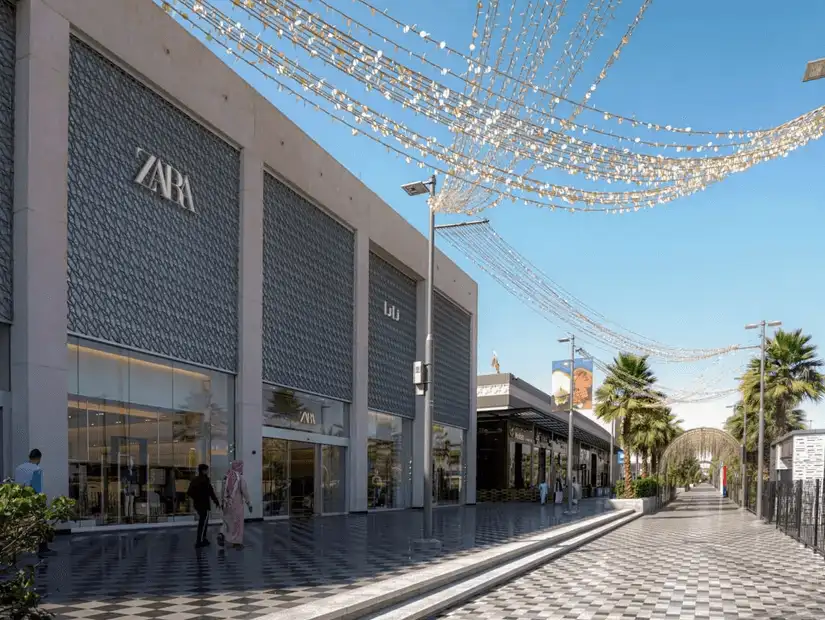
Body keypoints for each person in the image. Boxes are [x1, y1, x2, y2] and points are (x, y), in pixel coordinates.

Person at [14, 449, 52, 556]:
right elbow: (37, 488)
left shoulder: (18, 468)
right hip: (32, 500)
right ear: (39, 458)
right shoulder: (37, 469)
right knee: (41, 523)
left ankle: (16, 547)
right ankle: (43, 548)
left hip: (19, 500)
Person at [187, 464, 220, 548]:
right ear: (203, 470)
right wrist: (216, 501)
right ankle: (200, 541)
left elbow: (189, 492)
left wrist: (196, 498)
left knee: (203, 522)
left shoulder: (195, 480)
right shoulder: (205, 480)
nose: (207, 471)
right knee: (203, 523)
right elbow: (211, 492)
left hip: (198, 504)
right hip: (204, 505)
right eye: (206, 470)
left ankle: (203, 539)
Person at [220, 461, 252, 549]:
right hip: (237, 504)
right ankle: (237, 542)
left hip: (227, 504)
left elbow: (222, 490)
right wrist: (249, 503)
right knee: (238, 523)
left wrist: (222, 502)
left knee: (228, 521)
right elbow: (244, 491)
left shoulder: (226, 476)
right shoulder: (239, 478)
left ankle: (222, 534)